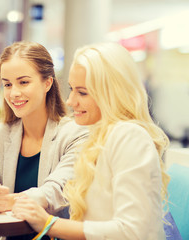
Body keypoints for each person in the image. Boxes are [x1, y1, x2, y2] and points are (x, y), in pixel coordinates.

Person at [12, 42, 170, 240]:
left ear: (112, 93)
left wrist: (48, 224)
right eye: (72, 89)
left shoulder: (130, 138)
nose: (70, 101)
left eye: (82, 92)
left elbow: (132, 232)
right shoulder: (95, 136)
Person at [0, 41, 88, 239]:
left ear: (47, 83)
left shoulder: (76, 134)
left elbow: (58, 190)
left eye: (23, 82)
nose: (14, 93)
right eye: (7, 84)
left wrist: (10, 201)